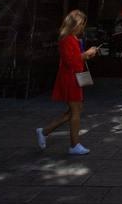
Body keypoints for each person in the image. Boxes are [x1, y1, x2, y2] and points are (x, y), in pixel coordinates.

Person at [36, 9, 98, 156]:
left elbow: (76, 59)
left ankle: (45, 131)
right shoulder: (67, 39)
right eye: (81, 24)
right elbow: (71, 61)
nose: (82, 27)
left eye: (83, 24)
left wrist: (87, 55)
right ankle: (74, 144)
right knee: (76, 111)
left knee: (75, 110)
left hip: (74, 77)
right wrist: (87, 54)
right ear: (73, 24)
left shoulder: (73, 39)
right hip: (70, 78)